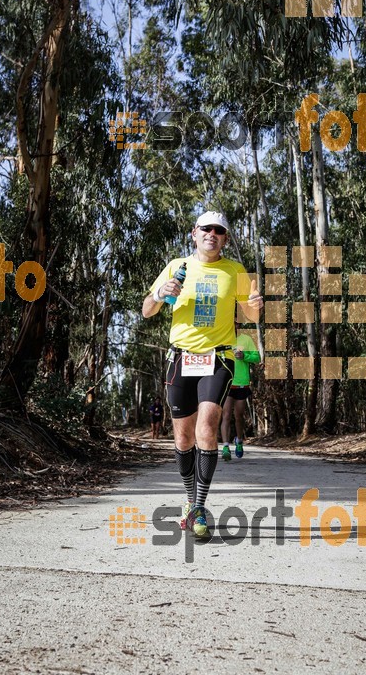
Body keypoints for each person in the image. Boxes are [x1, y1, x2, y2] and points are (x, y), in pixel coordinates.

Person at [142, 210, 263, 538]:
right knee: (182, 437)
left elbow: (250, 315)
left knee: (207, 428)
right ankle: (189, 499)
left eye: (219, 230)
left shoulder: (235, 271)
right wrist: (158, 294)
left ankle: (199, 508)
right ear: (194, 233)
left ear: (225, 238)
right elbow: (146, 310)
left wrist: (255, 305)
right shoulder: (176, 268)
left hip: (218, 359)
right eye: (206, 228)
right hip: (180, 358)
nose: (212, 233)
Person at [221, 322, 261, 461]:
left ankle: (239, 441)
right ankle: (225, 447)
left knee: (239, 416)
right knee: (226, 415)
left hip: (242, 384)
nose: (233, 325)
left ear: (238, 325)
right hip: (226, 383)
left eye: (235, 323)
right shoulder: (221, 338)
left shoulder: (246, 339)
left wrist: (244, 356)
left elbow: (257, 358)